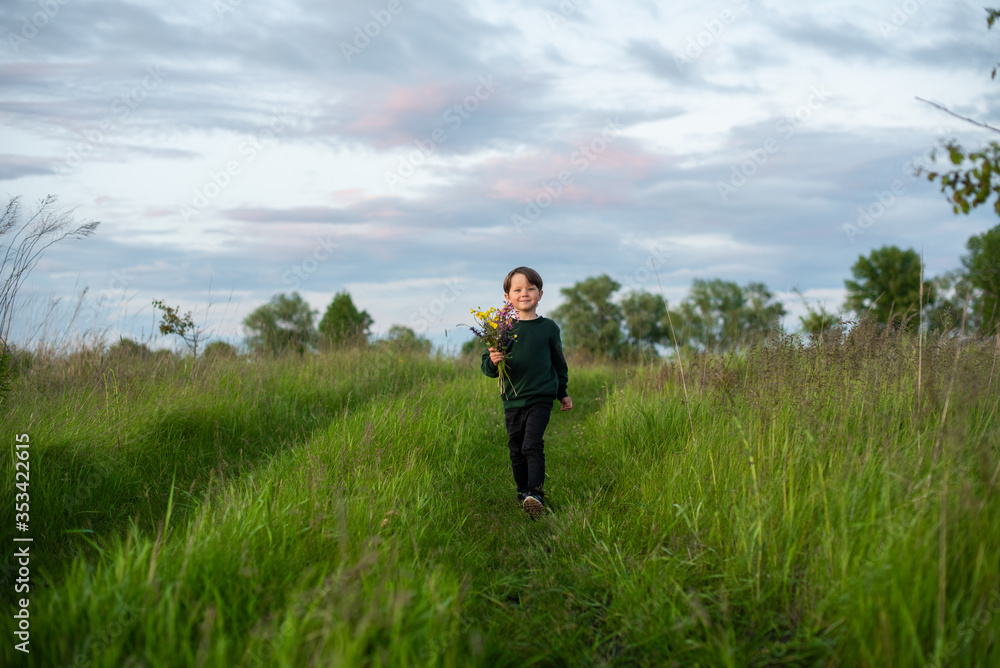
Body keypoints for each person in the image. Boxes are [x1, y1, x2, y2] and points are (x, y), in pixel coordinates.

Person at [481, 266, 572, 519]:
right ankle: (523, 493)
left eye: (530, 288)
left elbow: (558, 363)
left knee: (532, 443)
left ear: (540, 294)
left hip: (541, 397)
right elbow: (486, 367)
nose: (524, 293)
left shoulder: (548, 328)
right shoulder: (500, 328)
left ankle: (536, 493)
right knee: (516, 447)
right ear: (507, 298)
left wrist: (561, 392)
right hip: (512, 398)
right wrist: (494, 360)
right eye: (517, 289)